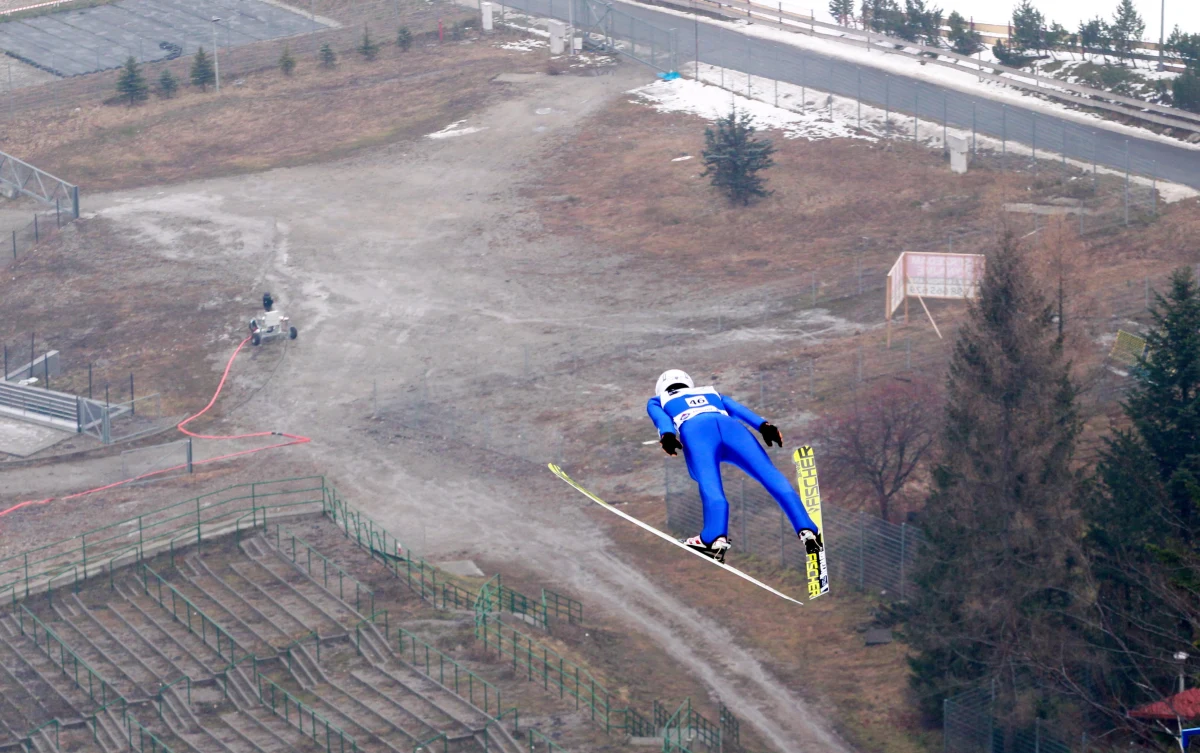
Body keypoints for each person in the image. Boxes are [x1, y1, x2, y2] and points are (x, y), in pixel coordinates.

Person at [646, 369, 821, 563]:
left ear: (661, 387)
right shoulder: (711, 392)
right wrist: (764, 426)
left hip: (696, 431)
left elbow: (661, 419)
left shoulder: (657, 400)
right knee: (769, 474)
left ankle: (714, 538)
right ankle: (807, 530)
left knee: (710, 483)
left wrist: (667, 435)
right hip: (732, 428)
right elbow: (738, 409)